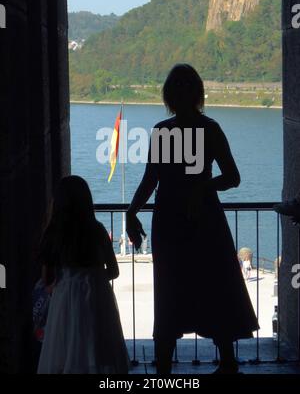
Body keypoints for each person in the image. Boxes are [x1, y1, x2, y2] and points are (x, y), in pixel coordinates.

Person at [126, 64, 259, 375]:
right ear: (199, 94)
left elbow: (150, 180)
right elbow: (232, 177)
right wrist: (204, 186)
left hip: (169, 220)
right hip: (205, 221)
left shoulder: (162, 131)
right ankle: (227, 361)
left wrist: (132, 211)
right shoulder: (209, 129)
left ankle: (163, 370)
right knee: (215, 285)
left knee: (169, 289)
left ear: (168, 96)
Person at [37, 175, 130, 374]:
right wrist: (93, 278)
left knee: (64, 354)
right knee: (97, 353)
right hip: (97, 298)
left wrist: (67, 283)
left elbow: (47, 279)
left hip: (65, 300)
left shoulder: (54, 233)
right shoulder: (97, 230)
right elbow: (114, 270)